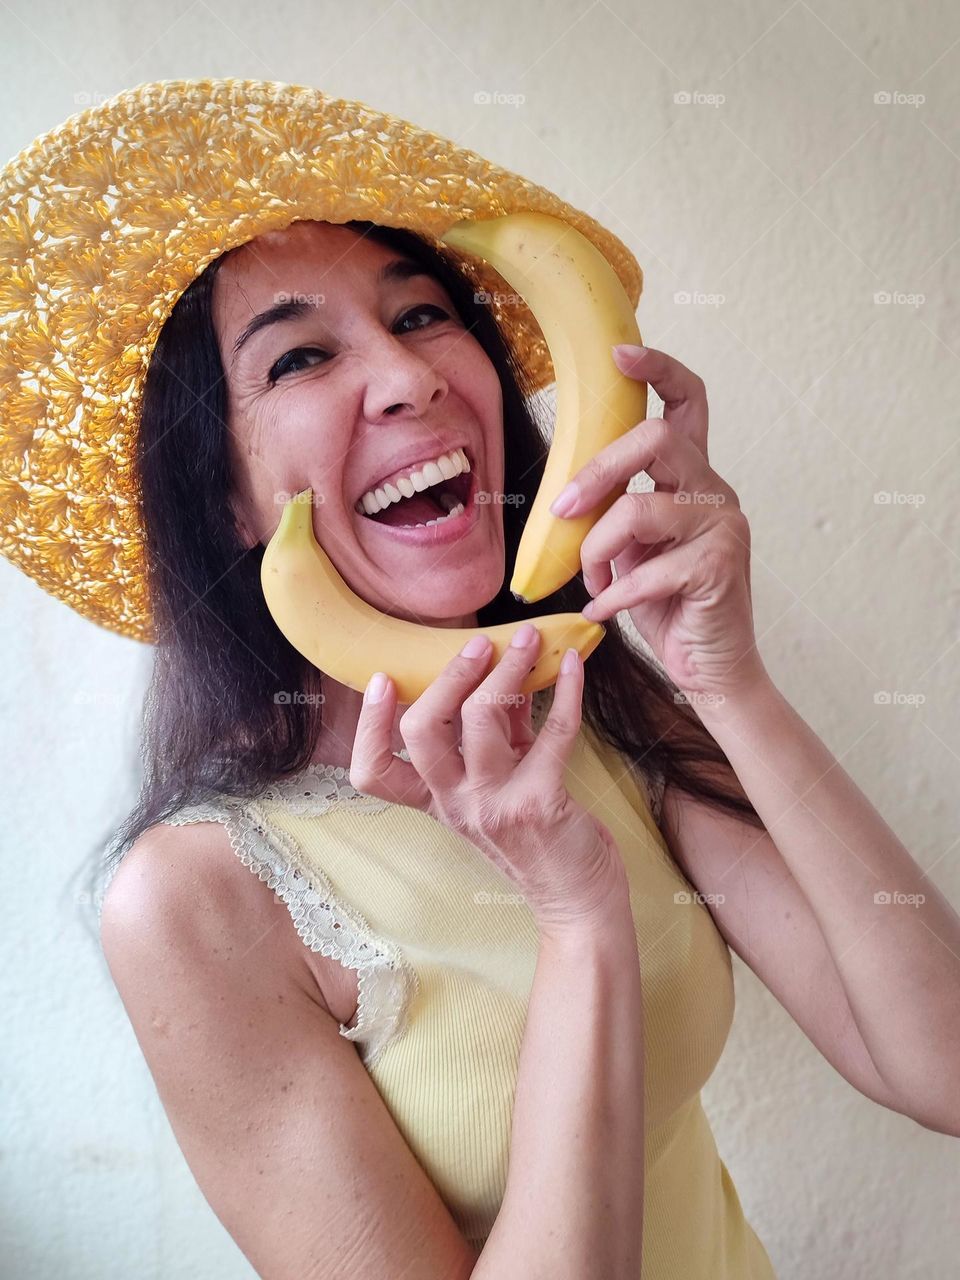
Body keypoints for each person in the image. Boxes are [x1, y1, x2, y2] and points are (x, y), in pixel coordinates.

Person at [0, 79, 784, 1277]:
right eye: (300, 355)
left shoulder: (590, 698)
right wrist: (578, 916)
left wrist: (732, 679)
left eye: (422, 313)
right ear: (227, 497)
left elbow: (936, 1062)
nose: (410, 375)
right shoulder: (192, 900)